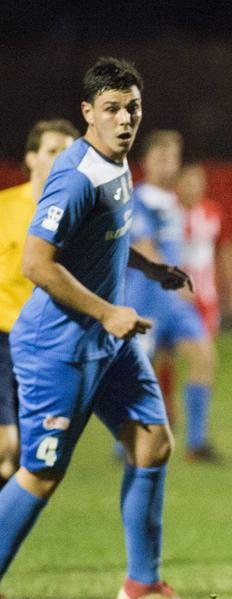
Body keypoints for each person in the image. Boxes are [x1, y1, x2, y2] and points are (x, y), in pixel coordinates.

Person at [0, 58, 211, 599]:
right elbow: (37, 265)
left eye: (132, 108)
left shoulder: (117, 166)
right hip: (57, 346)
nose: (125, 119)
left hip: (106, 340)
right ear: (88, 113)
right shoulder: (74, 176)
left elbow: (107, 239)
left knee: (152, 443)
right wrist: (108, 310)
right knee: (41, 473)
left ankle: (143, 587)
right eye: (112, 109)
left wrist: (152, 267)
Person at [124, 131, 222, 463]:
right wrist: (174, 276)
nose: (169, 163)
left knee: (203, 357)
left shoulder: (175, 203)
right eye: (162, 157)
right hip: (145, 299)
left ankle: (196, 444)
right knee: (139, 373)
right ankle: (125, 441)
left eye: (174, 157)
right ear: (146, 161)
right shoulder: (137, 199)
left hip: (175, 304)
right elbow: (144, 246)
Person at [0, 120, 78, 482]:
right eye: (53, 150)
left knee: (36, 454)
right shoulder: (5, 208)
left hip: (48, 344)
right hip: (3, 335)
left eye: (69, 151)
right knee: (6, 443)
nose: (62, 158)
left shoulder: (80, 215)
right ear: (31, 158)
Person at [176, 162, 232, 338]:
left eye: (197, 182)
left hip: (205, 295)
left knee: (206, 348)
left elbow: (226, 251)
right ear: (178, 184)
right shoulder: (167, 212)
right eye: (188, 182)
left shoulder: (213, 213)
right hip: (173, 292)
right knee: (165, 351)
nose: (193, 188)